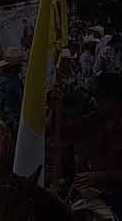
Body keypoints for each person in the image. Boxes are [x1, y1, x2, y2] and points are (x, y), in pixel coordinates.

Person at [63, 73, 122, 219]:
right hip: (94, 193)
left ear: (114, 100)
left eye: (101, 98)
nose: (97, 102)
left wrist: (100, 177)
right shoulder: (96, 119)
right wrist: (57, 107)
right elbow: (67, 131)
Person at [0, 48, 26, 135]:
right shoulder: (10, 83)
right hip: (9, 123)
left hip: (4, 118)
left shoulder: (0, 78)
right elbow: (10, 110)